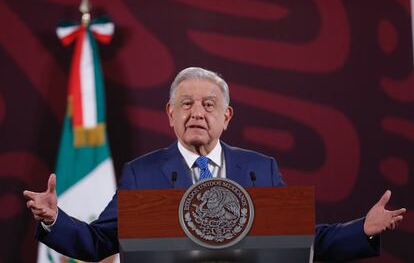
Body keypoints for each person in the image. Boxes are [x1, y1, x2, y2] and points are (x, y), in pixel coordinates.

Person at [24, 67, 406, 262]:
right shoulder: (142, 173)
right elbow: (99, 242)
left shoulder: (261, 169)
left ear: (227, 116)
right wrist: (55, 219)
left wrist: (364, 230)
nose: (197, 113)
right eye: (186, 104)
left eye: (209, 105)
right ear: (170, 114)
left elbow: (303, 240)